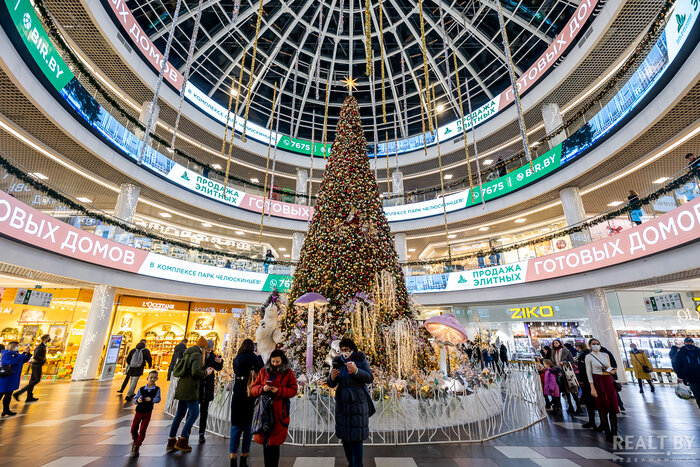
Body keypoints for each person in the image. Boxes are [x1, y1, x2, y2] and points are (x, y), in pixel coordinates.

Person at [327, 338, 375, 467]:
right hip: (343, 404)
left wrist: (356, 371)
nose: (344, 352)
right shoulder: (337, 361)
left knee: (356, 438)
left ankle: (357, 464)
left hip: (357, 403)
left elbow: (369, 378)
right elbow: (331, 383)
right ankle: (350, 462)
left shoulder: (359, 360)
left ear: (352, 350)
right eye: (342, 350)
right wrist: (331, 377)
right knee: (345, 438)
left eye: (347, 350)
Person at [250, 348, 298, 467]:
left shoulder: (288, 373)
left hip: (279, 413)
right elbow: (253, 389)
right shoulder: (263, 371)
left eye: (277, 362)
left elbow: (293, 390)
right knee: (266, 443)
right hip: (264, 412)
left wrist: (279, 391)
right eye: (273, 361)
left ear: (282, 361)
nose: (275, 364)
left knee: (274, 445)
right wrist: (262, 389)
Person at [167, 336, 214, 453]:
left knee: (179, 414)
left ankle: (171, 440)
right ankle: (182, 440)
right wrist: (206, 372)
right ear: (203, 348)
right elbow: (195, 372)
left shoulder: (188, 353)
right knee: (194, 413)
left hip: (182, 387)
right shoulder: (197, 355)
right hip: (190, 389)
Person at [230, 339, 264, 467]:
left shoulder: (237, 358)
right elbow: (262, 370)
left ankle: (232, 458)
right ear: (252, 348)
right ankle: (244, 458)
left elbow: (235, 371)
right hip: (250, 393)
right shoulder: (253, 358)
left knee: (235, 427)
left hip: (238, 392)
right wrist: (259, 355)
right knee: (248, 427)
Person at [585, 338, 619, 441]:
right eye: (593, 344)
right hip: (598, 381)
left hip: (608, 380)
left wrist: (612, 371)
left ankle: (614, 433)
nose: (596, 345)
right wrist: (592, 387)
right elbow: (589, 372)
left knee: (613, 407)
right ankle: (607, 432)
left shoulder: (605, 355)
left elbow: (608, 367)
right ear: (590, 346)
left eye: (597, 343)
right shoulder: (589, 357)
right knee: (603, 407)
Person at [130, 370, 161, 457]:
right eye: (151, 377)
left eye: (154, 378)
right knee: (133, 429)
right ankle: (135, 441)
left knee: (143, 429)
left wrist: (151, 399)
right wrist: (138, 400)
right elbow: (135, 399)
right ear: (147, 378)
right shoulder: (142, 389)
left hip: (148, 412)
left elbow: (158, 399)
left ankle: (137, 446)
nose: (152, 379)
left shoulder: (157, 389)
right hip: (139, 411)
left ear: (157, 379)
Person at [199, 340, 224, 444]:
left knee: (204, 411)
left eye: (210, 349)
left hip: (208, 386)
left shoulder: (213, 356)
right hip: (199, 386)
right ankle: (186, 434)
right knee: (192, 411)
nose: (209, 351)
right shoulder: (199, 356)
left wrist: (220, 362)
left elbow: (218, 368)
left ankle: (201, 433)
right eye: (207, 349)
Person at [14, 334, 50, 402]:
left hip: (36, 365)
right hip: (37, 365)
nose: (49, 339)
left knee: (32, 381)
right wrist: (44, 359)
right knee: (36, 380)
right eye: (48, 337)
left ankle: (29, 397)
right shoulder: (40, 347)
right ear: (45, 339)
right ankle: (18, 393)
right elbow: (36, 356)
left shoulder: (44, 346)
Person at [0, 342, 31, 416]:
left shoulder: (16, 354)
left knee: (8, 395)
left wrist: (27, 354)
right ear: (12, 347)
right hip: (6, 378)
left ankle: (6, 410)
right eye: (17, 346)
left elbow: (22, 360)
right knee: (1, 394)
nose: (18, 347)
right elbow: (11, 361)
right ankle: (6, 410)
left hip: (12, 378)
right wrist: (23, 353)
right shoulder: (6, 354)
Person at [551, 339, 581, 414]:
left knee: (572, 390)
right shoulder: (554, 352)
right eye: (554, 343)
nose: (555, 344)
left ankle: (578, 407)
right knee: (565, 391)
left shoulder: (565, 351)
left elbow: (572, 361)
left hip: (567, 373)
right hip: (560, 374)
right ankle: (570, 406)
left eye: (556, 343)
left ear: (559, 343)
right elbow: (554, 362)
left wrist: (564, 363)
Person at [575, 342, 597, 429]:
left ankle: (595, 422)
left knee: (590, 401)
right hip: (587, 380)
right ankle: (592, 421)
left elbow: (583, 369)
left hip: (588, 380)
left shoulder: (585, 355)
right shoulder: (584, 354)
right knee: (589, 401)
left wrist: (580, 379)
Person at [675, 337, 700, 408]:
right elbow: (678, 365)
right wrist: (680, 377)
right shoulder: (681, 353)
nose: (690, 344)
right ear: (685, 343)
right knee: (698, 396)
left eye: (691, 343)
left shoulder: (698, 351)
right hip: (691, 378)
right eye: (688, 343)